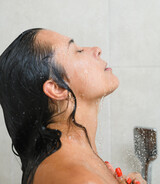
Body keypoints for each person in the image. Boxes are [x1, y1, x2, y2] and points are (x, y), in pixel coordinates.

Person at [0, 28, 146, 184]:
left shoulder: (68, 165)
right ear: (57, 88)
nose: (97, 50)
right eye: (78, 51)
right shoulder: (81, 179)